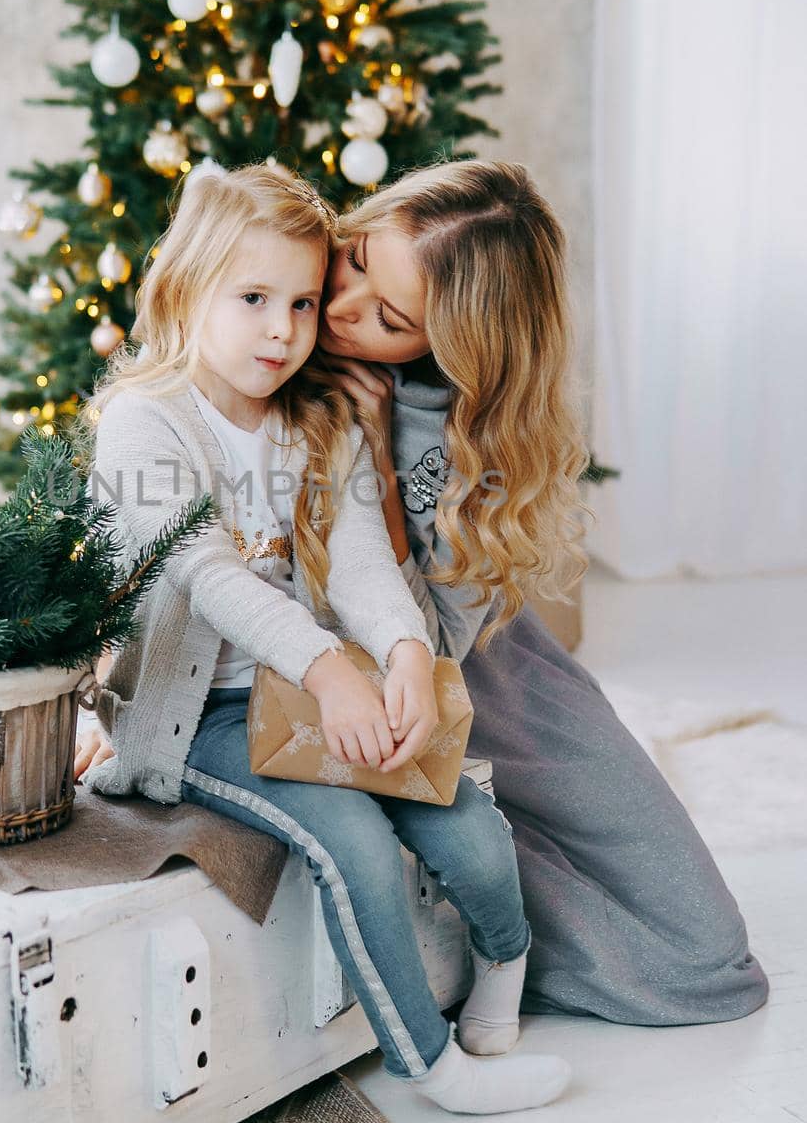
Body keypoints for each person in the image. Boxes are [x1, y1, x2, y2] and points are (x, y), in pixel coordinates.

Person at [79, 160, 570, 1114]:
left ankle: (503, 966)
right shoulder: (143, 428)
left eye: (304, 303)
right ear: (186, 288)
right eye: (253, 297)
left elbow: (358, 562)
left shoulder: (320, 420)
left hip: (312, 688)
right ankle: (432, 1067)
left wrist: (401, 660)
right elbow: (207, 574)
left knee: (464, 824)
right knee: (350, 835)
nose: (283, 330)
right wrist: (326, 669)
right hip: (199, 718)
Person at [315, 158, 768, 1025]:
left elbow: (434, 646)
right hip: (342, 690)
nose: (342, 311)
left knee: (705, 957)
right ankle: (457, 901)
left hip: (487, 682)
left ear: (449, 345)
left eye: (388, 317)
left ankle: (470, 896)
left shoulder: (467, 435)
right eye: (359, 261)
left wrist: (377, 456)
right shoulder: (279, 315)